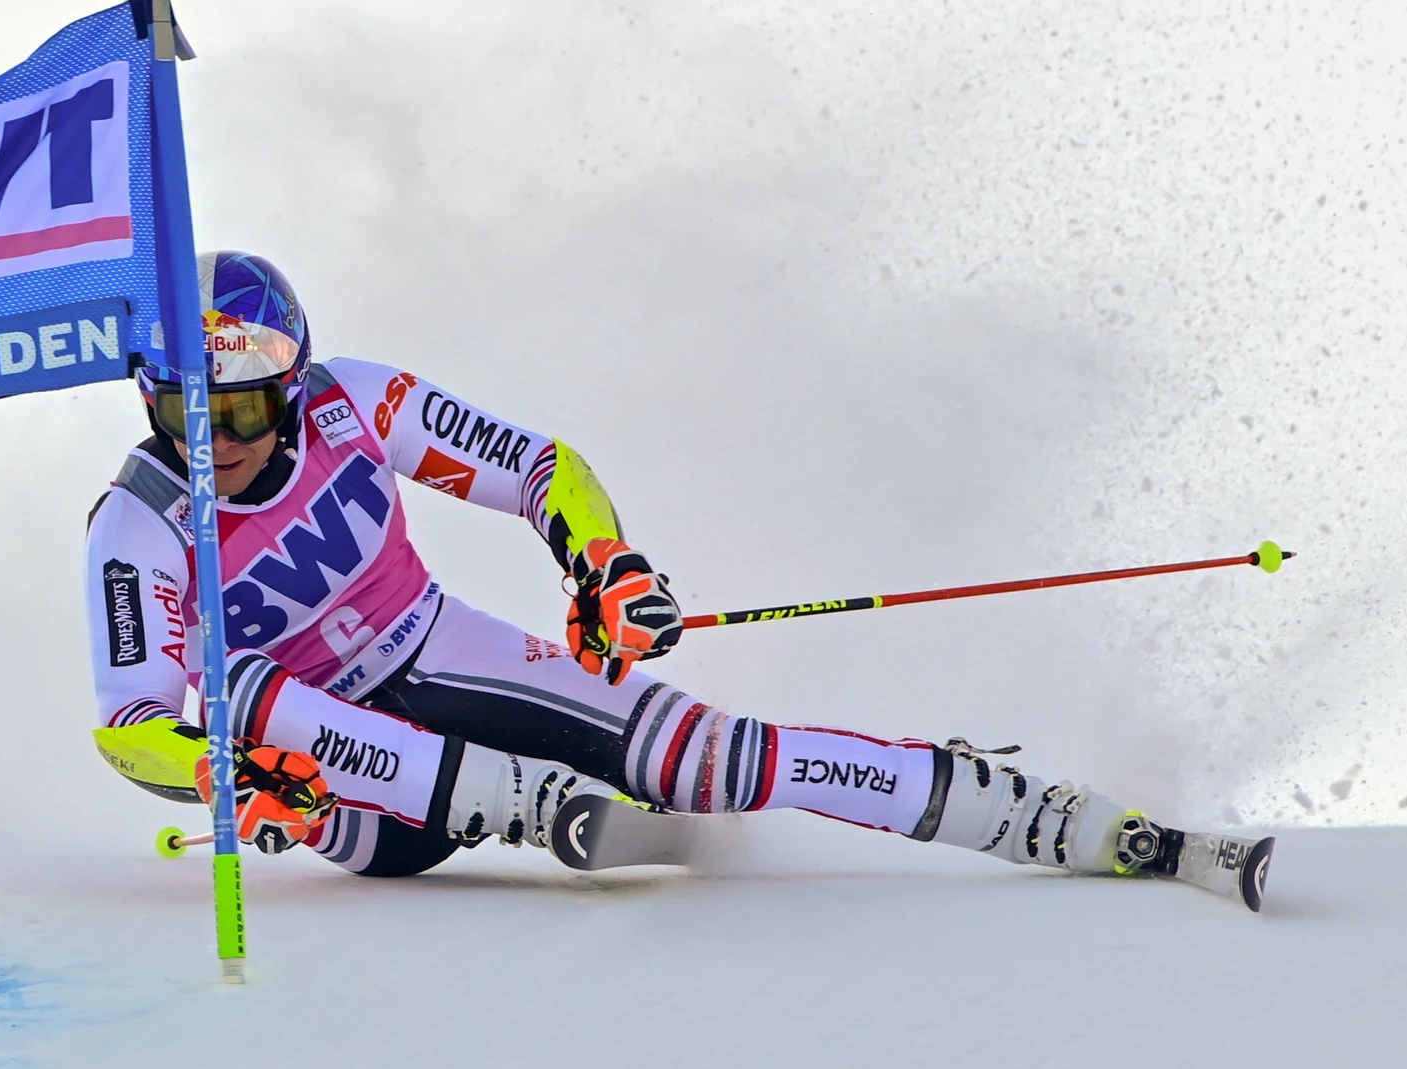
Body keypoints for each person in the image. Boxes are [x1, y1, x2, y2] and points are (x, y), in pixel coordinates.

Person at [82, 250, 1163, 881]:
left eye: (241, 404)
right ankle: (516, 799)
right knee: (241, 690)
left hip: (438, 643)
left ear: (293, 381)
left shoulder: (353, 400)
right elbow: (129, 727)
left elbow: (532, 467)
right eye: (184, 405)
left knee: (712, 761)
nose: (214, 432)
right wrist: (231, 775)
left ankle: (1013, 808)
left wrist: (605, 567)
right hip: (354, 796)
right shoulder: (139, 526)